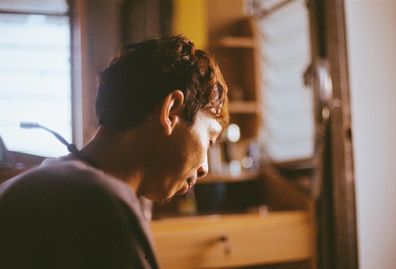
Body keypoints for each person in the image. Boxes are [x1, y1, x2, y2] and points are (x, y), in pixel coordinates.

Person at [0, 35, 229, 269]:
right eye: (209, 139)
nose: (204, 168)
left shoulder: (37, 182)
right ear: (171, 112)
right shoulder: (103, 206)